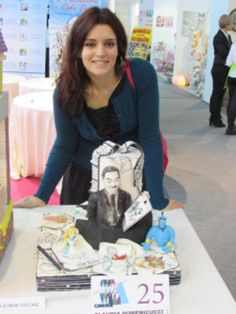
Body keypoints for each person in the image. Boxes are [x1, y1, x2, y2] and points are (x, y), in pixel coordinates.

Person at [14, 6, 182, 212]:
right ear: (78, 49)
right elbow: (65, 145)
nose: (100, 53)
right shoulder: (66, 89)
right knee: (79, 240)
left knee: (134, 241)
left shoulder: (141, 75)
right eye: (90, 44)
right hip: (83, 181)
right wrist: (41, 196)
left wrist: (158, 200)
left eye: (109, 44)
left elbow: (150, 138)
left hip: (132, 180)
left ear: (119, 47)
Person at [209, 14, 233, 127]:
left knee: (221, 95)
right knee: (217, 93)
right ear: (226, 23)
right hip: (219, 69)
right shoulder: (218, 37)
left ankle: (216, 116)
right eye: (231, 23)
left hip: (225, 69)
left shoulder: (228, 36)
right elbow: (225, 53)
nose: (233, 25)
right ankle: (214, 117)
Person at [225, 43, 236, 135]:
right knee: (234, 103)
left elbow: (228, 62)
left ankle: (230, 125)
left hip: (231, 75)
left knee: (231, 100)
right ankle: (230, 128)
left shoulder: (234, 45)